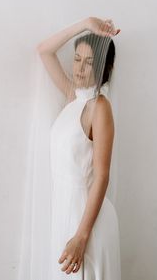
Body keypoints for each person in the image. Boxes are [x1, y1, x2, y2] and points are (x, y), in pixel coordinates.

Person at [36, 16, 121, 279]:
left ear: (103, 67)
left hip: (86, 223)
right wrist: (85, 24)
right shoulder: (74, 96)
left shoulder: (100, 107)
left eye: (89, 62)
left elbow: (102, 176)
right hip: (64, 213)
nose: (80, 68)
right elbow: (44, 51)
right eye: (77, 59)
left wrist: (81, 237)